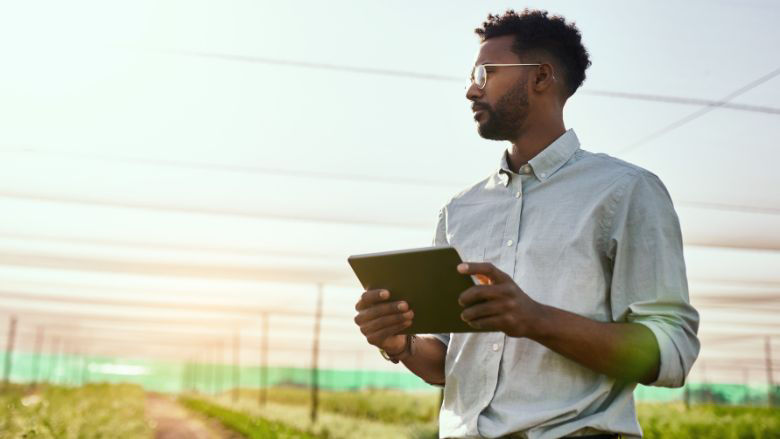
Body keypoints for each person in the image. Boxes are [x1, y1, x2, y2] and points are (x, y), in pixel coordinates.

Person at [353, 9, 699, 439]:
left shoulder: (625, 191)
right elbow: (448, 362)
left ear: (540, 77)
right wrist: (400, 344)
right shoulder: (459, 209)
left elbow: (672, 352)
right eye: (471, 77)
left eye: (486, 72)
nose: (471, 90)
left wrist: (535, 318)